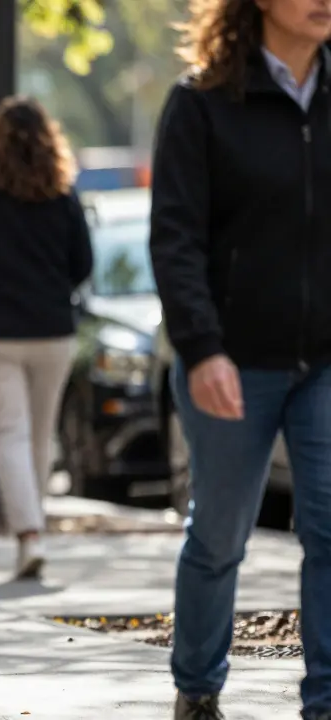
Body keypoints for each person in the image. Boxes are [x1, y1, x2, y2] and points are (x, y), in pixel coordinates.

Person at [150, 2, 331, 719]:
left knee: (329, 528)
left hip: (325, 360)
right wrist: (202, 349)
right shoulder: (201, 103)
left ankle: (324, 701)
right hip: (231, 360)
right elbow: (176, 240)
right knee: (222, 533)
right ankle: (197, 685)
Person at [0, 96, 93, 581]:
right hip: (52, 330)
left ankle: (29, 534)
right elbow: (83, 266)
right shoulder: (63, 198)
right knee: (40, 435)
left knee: (9, 434)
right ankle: (34, 529)